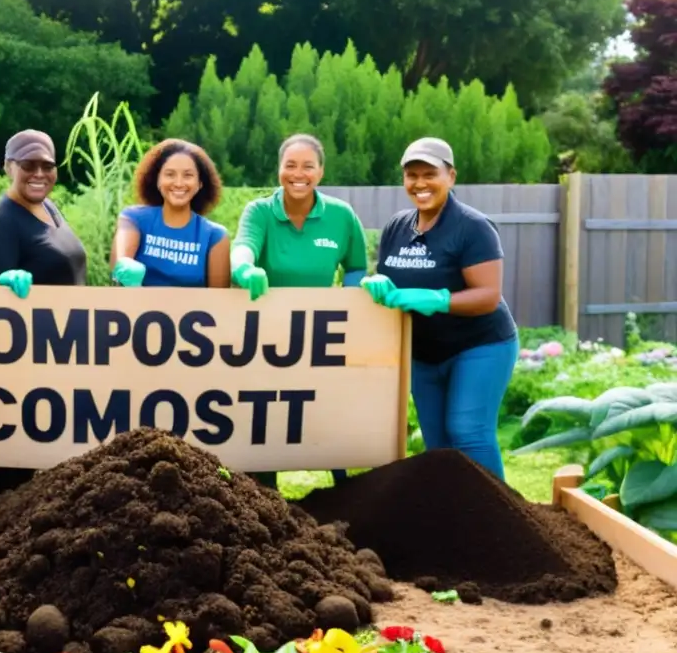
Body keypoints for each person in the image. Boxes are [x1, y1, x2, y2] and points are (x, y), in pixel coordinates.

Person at [360, 137, 519, 480]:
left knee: (468, 432)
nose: (419, 183)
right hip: (423, 352)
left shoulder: (472, 227)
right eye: (411, 175)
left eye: (429, 174)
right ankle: (453, 521)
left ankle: (501, 522)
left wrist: (436, 300)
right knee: (438, 445)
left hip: (480, 345)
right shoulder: (398, 226)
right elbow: (391, 280)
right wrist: (378, 285)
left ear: (451, 176)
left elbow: (488, 295)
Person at [230, 133, 370, 490]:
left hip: (319, 335)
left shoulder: (340, 216)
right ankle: (265, 496)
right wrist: (245, 269)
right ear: (279, 169)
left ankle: (343, 490)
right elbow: (243, 247)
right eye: (290, 165)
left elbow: (356, 266)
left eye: (308, 166)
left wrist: (349, 297)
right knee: (267, 414)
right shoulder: (260, 212)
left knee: (322, 411)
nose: (298, 173)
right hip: (264, 335)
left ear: (320, 172)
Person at [0, 129, 87, 501]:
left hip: (63, 352)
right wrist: (4, 280)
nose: (38, 173)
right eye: (28, 164)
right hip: (24, 362)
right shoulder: (5, 221)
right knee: (15, 465)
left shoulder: (50, 208)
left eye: (47, 165)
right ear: (10, 166)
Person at [110, 138, 230, 288]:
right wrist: (125, 266)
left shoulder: (214, 235)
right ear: (157, 180)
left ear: (200, 184)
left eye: (188, 175)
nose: (179, 183)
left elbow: (220, 302)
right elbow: (119, 264)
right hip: (136, 310)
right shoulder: (133, 219)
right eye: (170, 174)